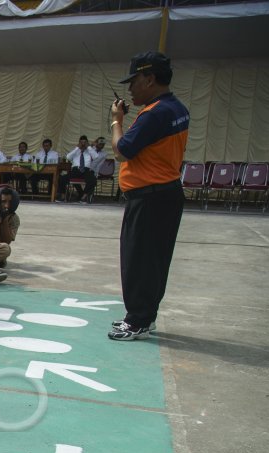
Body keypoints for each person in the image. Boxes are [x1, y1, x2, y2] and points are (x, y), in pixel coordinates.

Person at [108, 51, 188, 341]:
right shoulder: (176, 108)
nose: (130, 89)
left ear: (150, 79)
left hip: (149, 197)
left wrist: (116, 121)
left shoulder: (155, 113)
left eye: (134, 81)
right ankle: (146, 315)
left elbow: (121, 151)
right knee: (155, 260)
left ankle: (137, 320)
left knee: (138, 260)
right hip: (166, 192)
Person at [59, 135, 98, 202]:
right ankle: (63, 196)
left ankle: (84, 197)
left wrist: (88, 146)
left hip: (86, 170)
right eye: (81, 142)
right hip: (75, 170)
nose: (83, 144)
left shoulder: (90, 151)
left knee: (93, 180)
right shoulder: (76, 151)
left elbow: (96, 157)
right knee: (62, 178)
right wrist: (77, 148)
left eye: (84, 142)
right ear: (79, 143)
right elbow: (68, 157)